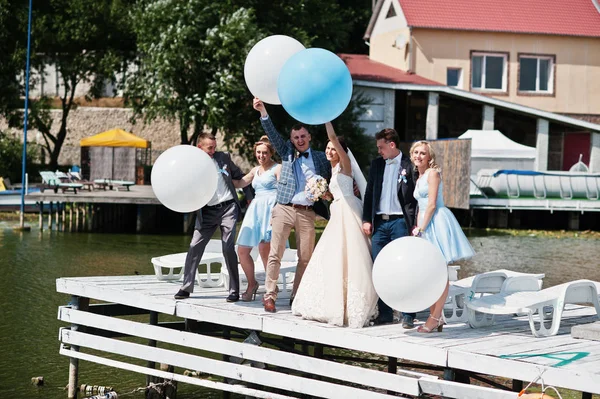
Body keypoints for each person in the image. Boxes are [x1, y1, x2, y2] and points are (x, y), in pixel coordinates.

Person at [292, 122, 377, 328]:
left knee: (353, 256)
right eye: (328, 149)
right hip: (337, 211)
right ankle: (332, 302)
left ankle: (353, 305)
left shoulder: (345, 163)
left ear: (341, 151)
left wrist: (326, 118)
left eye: (333, 148)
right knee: (332, 257)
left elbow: (334, 140)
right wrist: (324, 193)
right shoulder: (332, 169)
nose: (330, 151)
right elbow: (335, 193)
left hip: (349, 212)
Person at [253, 97, 332, 313]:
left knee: (305, 258)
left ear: (309, 137)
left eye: (302, 136)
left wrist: (327, 192)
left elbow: (331, 178)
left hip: (307, 213)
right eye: (295, 137)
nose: (299, 140)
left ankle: (298, 295)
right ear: (292, 139)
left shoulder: (320, 158)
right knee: (275, 253)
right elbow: (272, 134)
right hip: (284, 208)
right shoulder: (286, 151)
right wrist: (263, 111)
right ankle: (269, 295)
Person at [410, 140, 475, 333]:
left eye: (423, 153)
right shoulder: (419, 176)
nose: (418, 156)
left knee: (439, 271)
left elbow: (431, 205)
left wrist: (421, 228)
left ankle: (435, 317)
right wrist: (418, 227)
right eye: (416, 152)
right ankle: (435, 315)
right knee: (428, 272)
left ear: (429, 157)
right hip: (423, 225)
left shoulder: (433, 174)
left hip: (436, 222)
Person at [174, 133, 244, 302]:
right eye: (209, 148)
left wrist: (250, 196)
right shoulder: (192, 166)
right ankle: (186, 287)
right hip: (207, 212)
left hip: (228, 207)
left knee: (228, 247)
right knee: (194, 246)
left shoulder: (223, 157)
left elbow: (238, 175)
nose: (213, 150)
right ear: (200, 147)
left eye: (214, 147)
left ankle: (234, 290)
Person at [362, 128, 418, 327]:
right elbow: (369, 194)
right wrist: (366, 219)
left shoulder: (409, 165)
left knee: (404, 268)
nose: (379, 151)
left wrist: (416, 224)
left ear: (391, 145)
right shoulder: (377, 165)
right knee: (379, 269)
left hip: (400, 222)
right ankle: (385, 313)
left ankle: (408, 314)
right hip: (380, 223)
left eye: (381, 147)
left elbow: (416, 198)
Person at [233, 136, 281, 302]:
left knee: (265, 250)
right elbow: (240, 183)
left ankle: (271, 286)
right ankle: (252, 283)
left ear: (271, 153)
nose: (261, 155)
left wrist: (277, 215)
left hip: (271, 210)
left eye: (265, 152)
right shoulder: (255, 170)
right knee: (242, 250)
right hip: (255, 211)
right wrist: (224, 176)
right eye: (258, 152)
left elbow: (283, 193)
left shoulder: (277, 168)